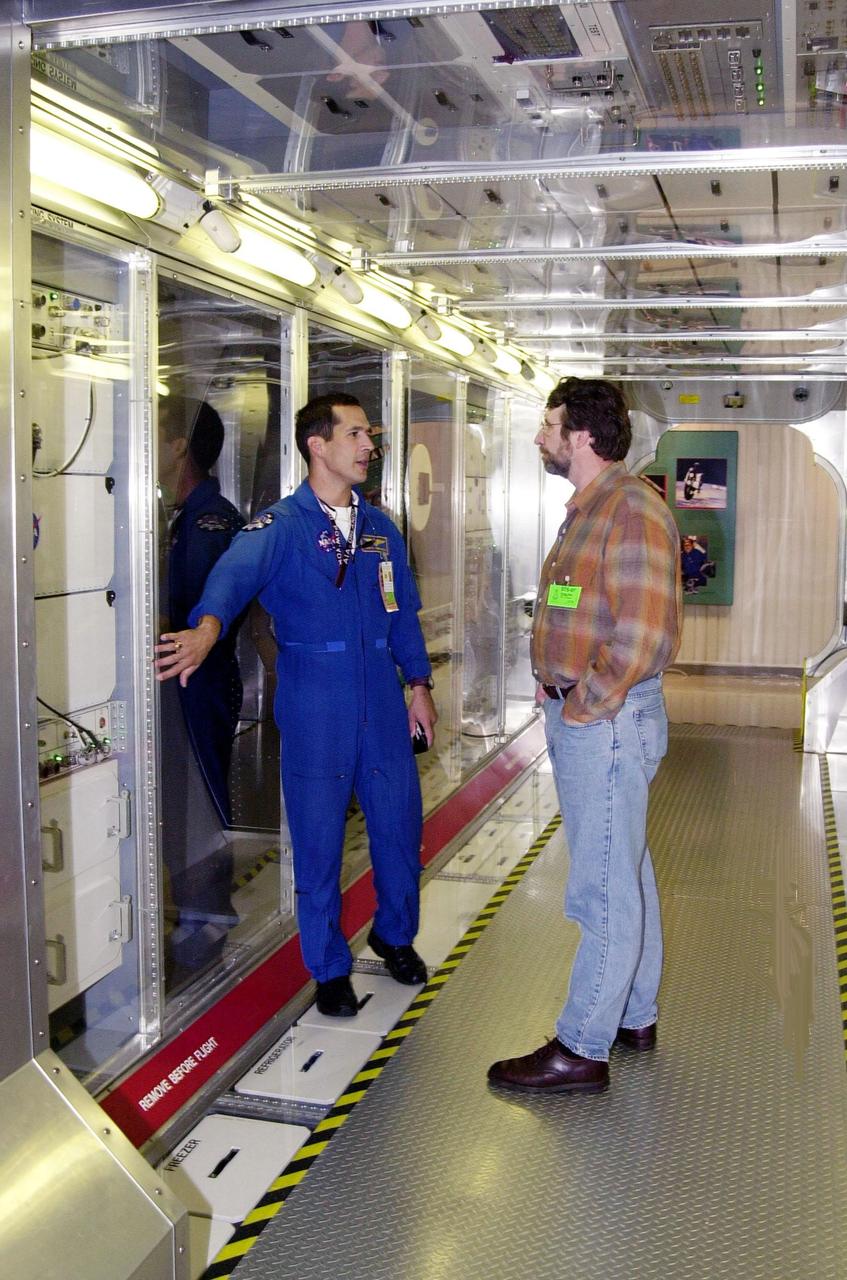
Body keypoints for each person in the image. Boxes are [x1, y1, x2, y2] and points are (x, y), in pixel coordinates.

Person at [155, 393, 437, 1017]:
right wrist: (206, 627)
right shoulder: (280, 528)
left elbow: (403, 615)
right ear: (318, 444)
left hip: (384, 707)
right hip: (315, 703)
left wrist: (419, 687)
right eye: (357, 434)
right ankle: (329, 967)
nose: (369, 445)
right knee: (317, 841)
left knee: (398, 827)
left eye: (370, 435)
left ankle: (394, 934)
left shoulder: (380, 530)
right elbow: (230, 576)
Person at [488, 377, 682, 1095]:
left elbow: (641, 632)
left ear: (581, 435)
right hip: (591, 714)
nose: (539, 436)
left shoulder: (630, 508)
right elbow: (583, 608)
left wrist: (584, 701)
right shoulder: (589, 509)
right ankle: (633, 1013)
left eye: (549, 424)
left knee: (601, 889)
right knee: (624, 870)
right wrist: (554, 678)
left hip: (604, 722)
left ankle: (580, 1046)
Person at [158, 396, 245, 976]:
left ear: (180, 447)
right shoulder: (186, 514)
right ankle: (195, 912)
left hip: (199, 681)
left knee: (199, 801)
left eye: (158, 434)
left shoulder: (209, 521)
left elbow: (193, 617)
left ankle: (207, 920)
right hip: (186, 682)